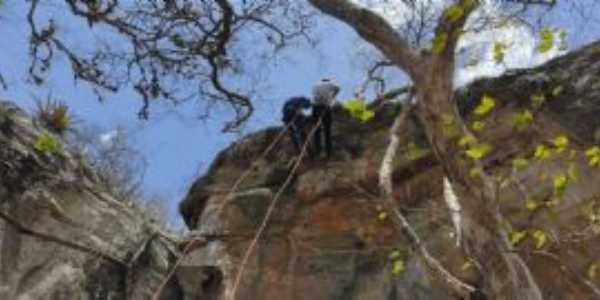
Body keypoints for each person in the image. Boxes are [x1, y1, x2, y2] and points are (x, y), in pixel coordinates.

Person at [311, 78, 340, 158]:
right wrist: (333, 96)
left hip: (315, 107)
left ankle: (317, 151)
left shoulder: (315, 85)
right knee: (327, 130)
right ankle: (329, 153)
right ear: (327, 80)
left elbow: (313, 95)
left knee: (316, 130)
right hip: (325, 106)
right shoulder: (330, 83)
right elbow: (338, 88)